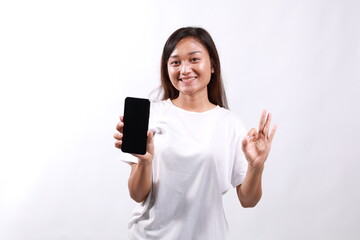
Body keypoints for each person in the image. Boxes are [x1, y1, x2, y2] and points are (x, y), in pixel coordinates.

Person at [113, 27, 277, 240]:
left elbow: (248, 200)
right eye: (175, 62)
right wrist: (144, 162)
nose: (184, 69)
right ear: (167, 68)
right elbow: (137, 195)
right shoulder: (151, 114)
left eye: (194, 59)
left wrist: (257, 166)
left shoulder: (230, 124)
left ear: (212, 66)